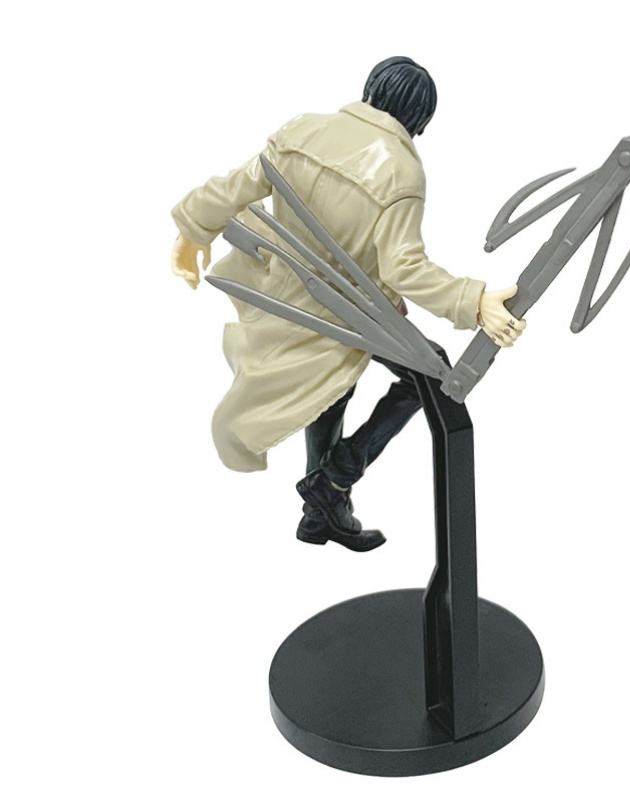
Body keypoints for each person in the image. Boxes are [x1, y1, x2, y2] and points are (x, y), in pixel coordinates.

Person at [171, 57, 525, 552]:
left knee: (332, 393)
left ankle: (322, 511)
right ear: (420, 119)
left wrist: (193, 228)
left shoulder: (302, 130)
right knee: (435, 376)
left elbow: (237, 187)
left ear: (371, 89)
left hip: (287, 299)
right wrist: (474, 299)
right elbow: (403, 267)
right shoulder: (401, 170)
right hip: (350, 315)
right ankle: (338, 475)